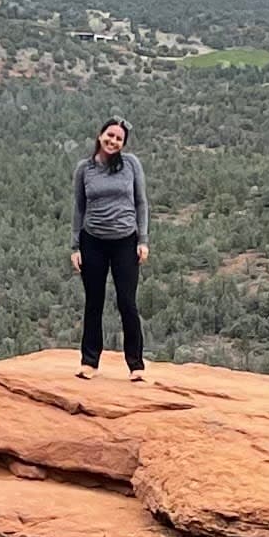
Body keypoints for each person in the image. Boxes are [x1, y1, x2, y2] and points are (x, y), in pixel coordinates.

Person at [71, 116, 149, 379]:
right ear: (100, 135)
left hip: (125, 241)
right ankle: (89, 362)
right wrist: (75, 246)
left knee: (127, 302)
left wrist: (143, 240)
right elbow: (79, 208)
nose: (113, 141)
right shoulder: (85, 169)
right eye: (110, 135)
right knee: (94, 302)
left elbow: (141, 202)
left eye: (119, 139)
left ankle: (136, 365)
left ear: (123, 144)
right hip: (92, 241)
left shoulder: (131, 164)